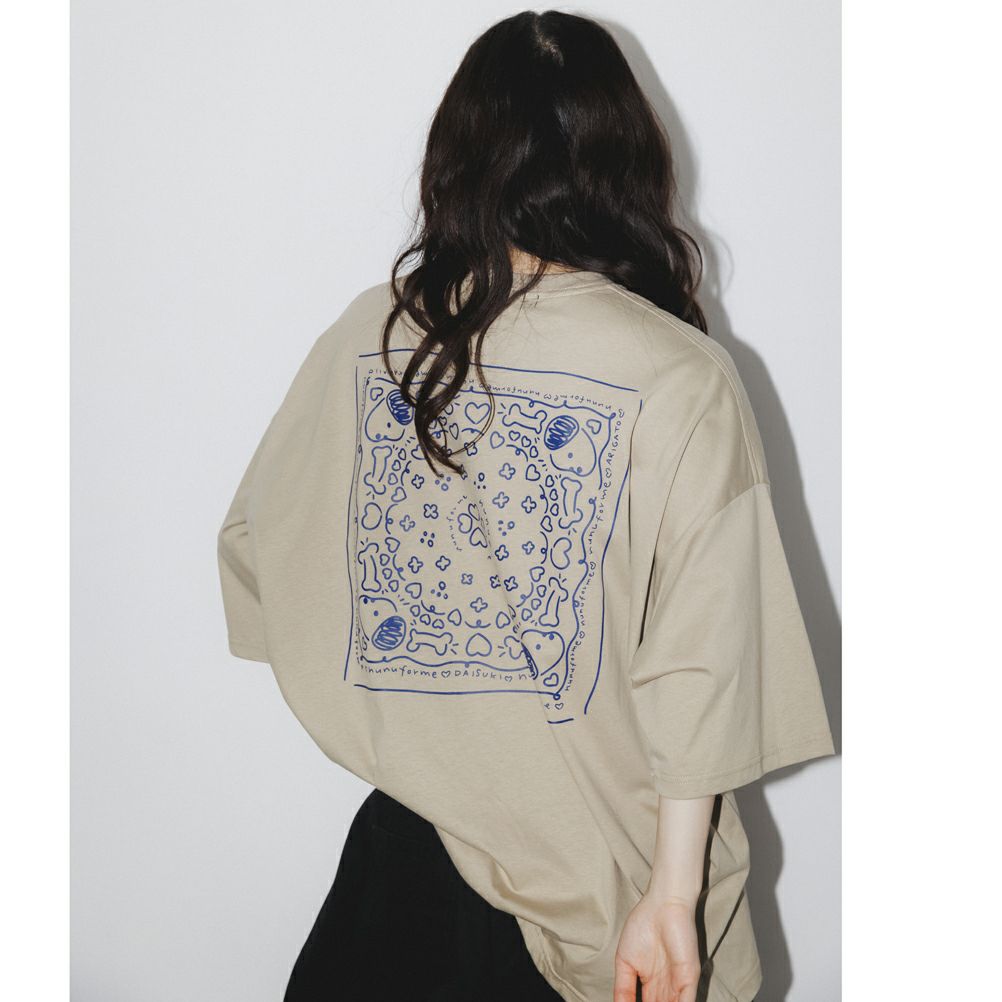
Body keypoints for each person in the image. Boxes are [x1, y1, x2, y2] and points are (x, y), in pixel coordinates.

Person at [217, 10, 835, 1002]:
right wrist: (673, 898)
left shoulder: (370, 337)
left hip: (400, 879)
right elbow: (706, 666)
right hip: (608, 887)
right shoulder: (677, 373)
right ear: (624, 159)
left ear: (459, 157)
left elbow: (258, 548)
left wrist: (418, 709)